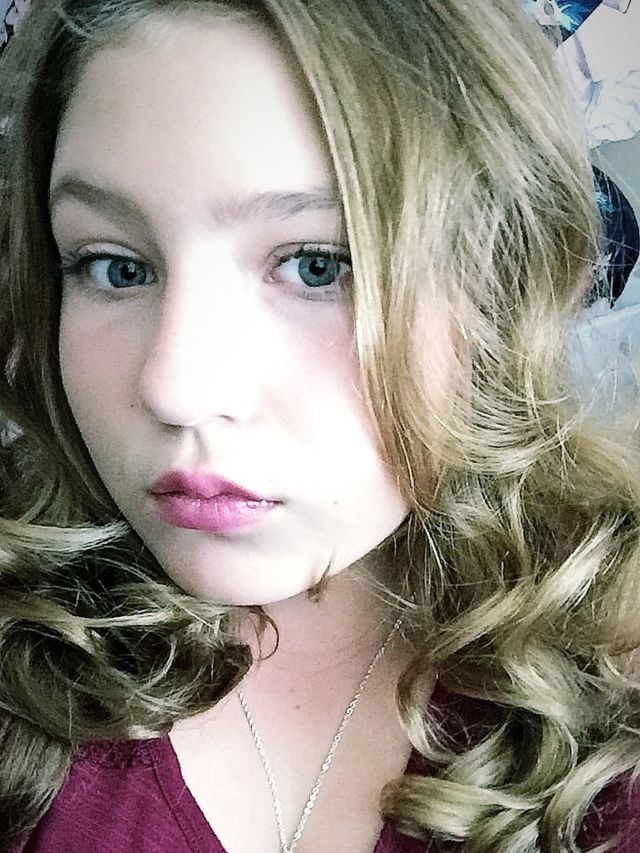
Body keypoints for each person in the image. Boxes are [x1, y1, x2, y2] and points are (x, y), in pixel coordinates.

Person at [1, 1, 640, 851]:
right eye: (114, 267)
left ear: (499, 279)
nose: (174, 387)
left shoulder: (614, 685)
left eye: (316, 264)